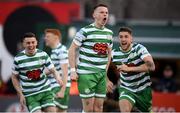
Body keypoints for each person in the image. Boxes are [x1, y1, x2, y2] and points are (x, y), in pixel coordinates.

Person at [68, 4, 113, 112]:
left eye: (106, 13)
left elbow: (109, 55)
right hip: (86, 74)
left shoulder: (109, 33)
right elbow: (71, 49)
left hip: (101, 75)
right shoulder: (85, 31)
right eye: (101, 12)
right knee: (88, 108)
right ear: (94, 15)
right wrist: (73, 70)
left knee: (99, 108)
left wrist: (105, 74)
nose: (105, 15)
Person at [11, 32, 63, 113]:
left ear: (36, 42)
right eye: (28, 43)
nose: (31, 45)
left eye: (33, 42)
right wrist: (20, 94)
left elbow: (53, 70)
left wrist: (58, 77)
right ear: (23, 44)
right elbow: (14, 77)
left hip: (45, 91)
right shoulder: (18, 59)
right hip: (30, 95)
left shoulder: (43, 54)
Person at [112, 27, 155, 112]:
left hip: (143, 89)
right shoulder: (114, 53)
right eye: (121, 37)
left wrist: (129, 69)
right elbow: (102, 66)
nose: (123, 39)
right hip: (126, 88)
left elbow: (151, 66)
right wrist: (106, 80)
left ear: (131, 38)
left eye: (126, 36)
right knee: (124, 110)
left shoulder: (139, 48)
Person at [44, 28, 70, 112]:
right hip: (57, 86)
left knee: (49, 110)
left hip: (59, 87)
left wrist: (62, 90)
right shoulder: (55, 50)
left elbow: (65, 72)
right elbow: (53, 70)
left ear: (56, 37)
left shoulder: (61, 50)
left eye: (48, 36)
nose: (45, 38)